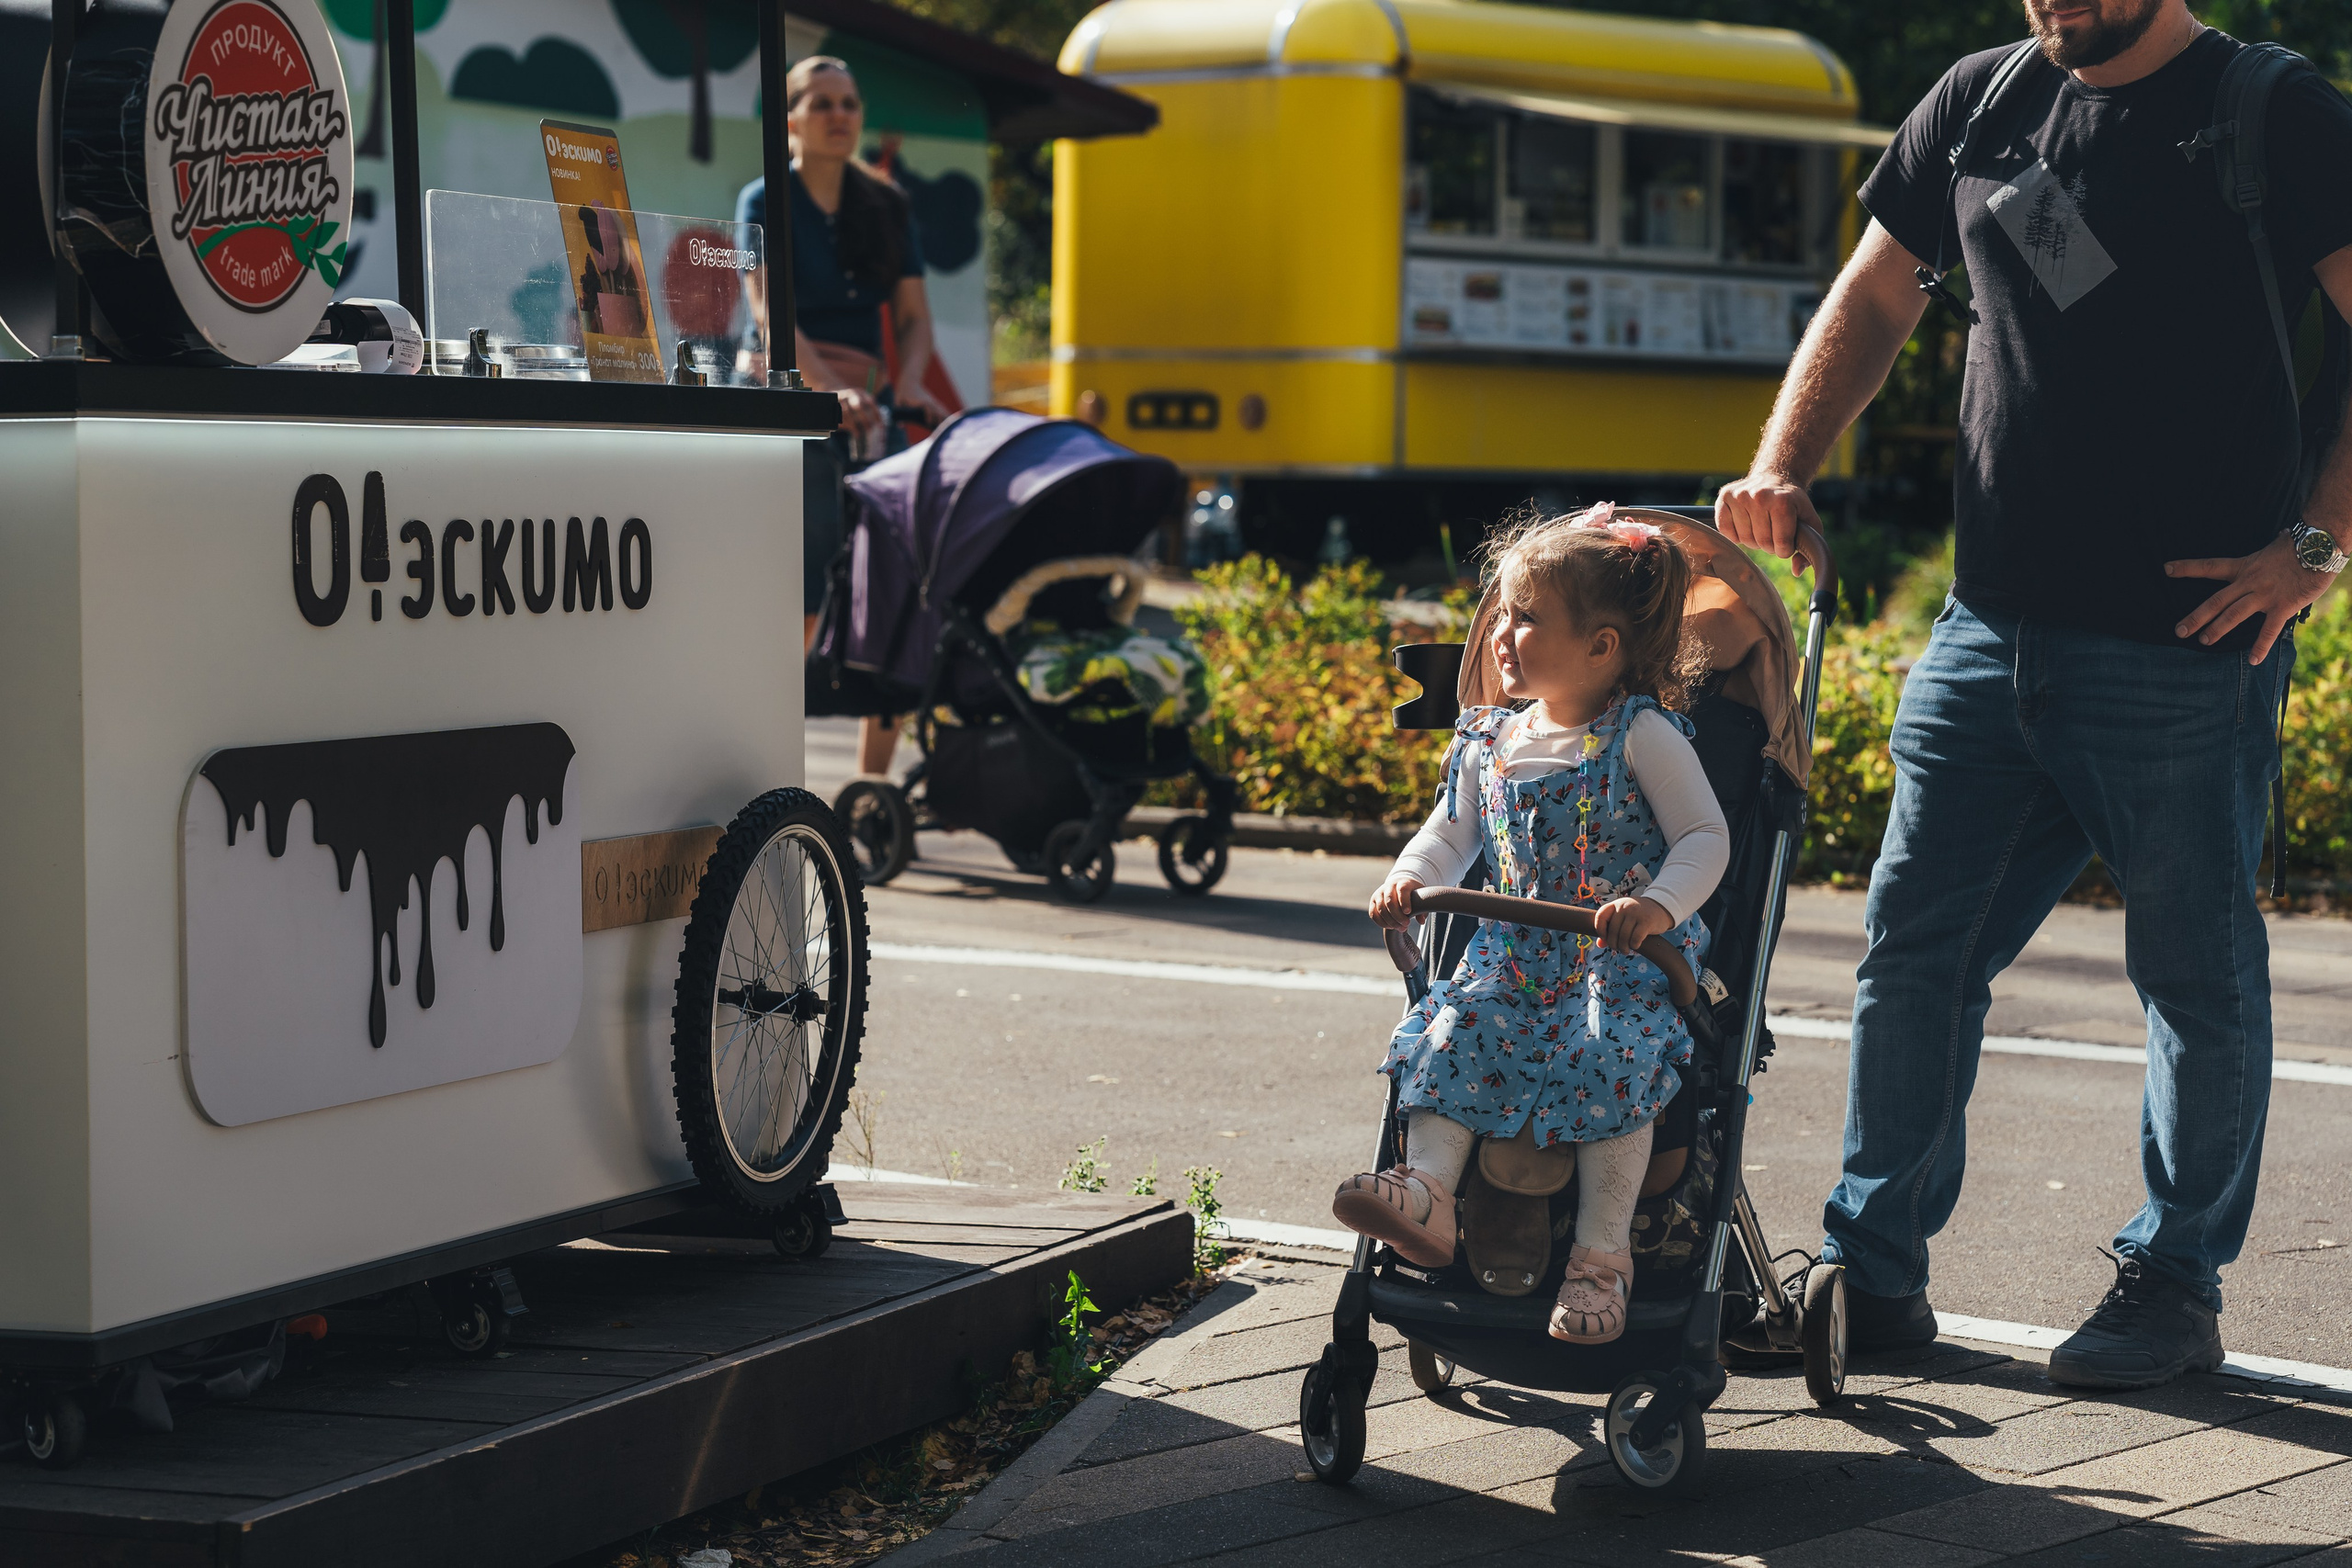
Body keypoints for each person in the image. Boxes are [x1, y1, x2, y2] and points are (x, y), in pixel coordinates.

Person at [1718, 0, 2352, 1389]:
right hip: (1986, 628)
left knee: (2193, 974)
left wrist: (2317, 544)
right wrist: (1783, 461)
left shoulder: (2271, 111)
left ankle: (2174, 1282)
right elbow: (1879, 293)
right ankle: (1871, 1274)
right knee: (1912, 948)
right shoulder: (1986, 97)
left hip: (2186, 639)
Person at [1337, 507, 1729, 1344]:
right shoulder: (1489, 737)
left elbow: (1706, 836)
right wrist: (1410, 879)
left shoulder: (1641, 736)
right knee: (1451, 1034)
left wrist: (1656, 905)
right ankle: (1428, 1194)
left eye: (1527, 617)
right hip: (1511, 956)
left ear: (1602, 647)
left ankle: (1600, 1258)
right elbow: (1451, 832)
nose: (1502, 634)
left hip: (1617, 960)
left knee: (1607, 1055)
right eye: (1504, 612)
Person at [738, 55, 942, 774]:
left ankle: (872, 790)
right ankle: (774, 776)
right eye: (821, 103)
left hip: (866, 407)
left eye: (850, 103)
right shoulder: (763, 200)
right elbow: (769, 316)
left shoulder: (888, 205)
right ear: (789, 119)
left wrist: (909, 379)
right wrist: (828, 389)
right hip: (787, 401)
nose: (839, 116)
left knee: (893, 584)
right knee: (802, 588)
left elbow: (914, 318)